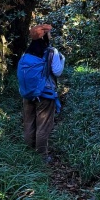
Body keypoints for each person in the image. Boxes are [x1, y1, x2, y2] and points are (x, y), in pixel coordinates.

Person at [21, 24, 65, 162]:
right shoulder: (52, 52)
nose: (51, 35)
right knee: (43, 126)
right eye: (49, 33)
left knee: (29, 122)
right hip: (45, 94)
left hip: (28, 94)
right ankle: (41, 157)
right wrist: (62, 59)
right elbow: (57, 71)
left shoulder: (26, 53)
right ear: (44, 36)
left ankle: (28, 153)